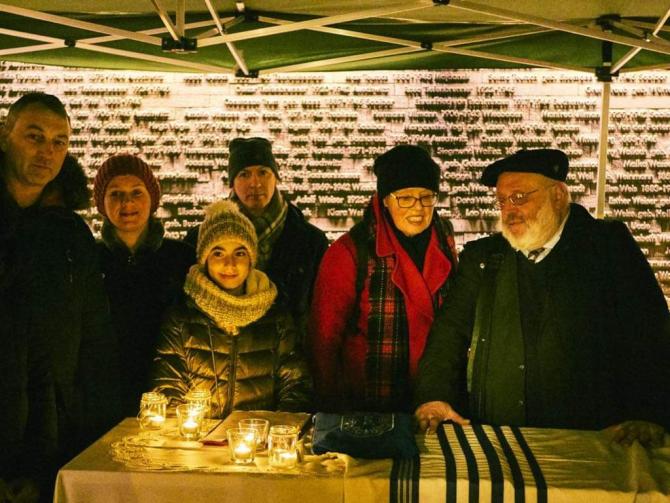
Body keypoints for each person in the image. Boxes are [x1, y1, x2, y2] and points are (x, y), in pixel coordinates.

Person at [415, 148, 670, 446]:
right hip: (500, 439)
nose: (509, 210)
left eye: (520, 197)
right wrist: (434, 396)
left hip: (592, 441)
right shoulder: (484, 258)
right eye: (502, 201)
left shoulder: (607, 249)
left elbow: (649, 333)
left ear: (558, 196)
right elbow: (450, 332)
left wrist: (649, 412)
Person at [0, 93, 118, 491]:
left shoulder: (69, 234)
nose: (46, 152)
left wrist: (90, 427)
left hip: (54, 431)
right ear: (5, 136)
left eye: (59, 142)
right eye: (34, 137)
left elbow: (94, 335)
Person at [308, 145, 458, 413]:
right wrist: (331, 408)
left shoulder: (444, 240)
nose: (419, 208)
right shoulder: (350, 252)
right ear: (385, 200)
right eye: (405, 198)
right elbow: (324, 340)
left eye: (427, 197)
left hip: (432, 401)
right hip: (368, 405)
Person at [153, 200, 312, 417]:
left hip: (259, 441)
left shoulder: (275, 317)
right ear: (204, 259)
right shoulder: (181, 318)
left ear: (251, 259)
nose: (230, 264)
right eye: (218, 253)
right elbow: (168, 387)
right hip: (198, 444)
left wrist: (276, 427)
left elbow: (296, 386)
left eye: (239, 253)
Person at [185, 137, 328, 343]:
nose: (255, 183)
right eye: (244, 174)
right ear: (232, 182)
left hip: (288, 357)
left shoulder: (311, 242)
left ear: (276, 178)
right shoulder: (198, 240)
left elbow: (320, 314)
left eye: (263, 172)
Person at [93, 154, 194, 418]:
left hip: (169, 390)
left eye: (136, 192)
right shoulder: (88, 260)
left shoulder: (181, 258)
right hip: (103, 392)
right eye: (115, 194)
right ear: (102, 203)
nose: (127, 203)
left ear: (152, 199)